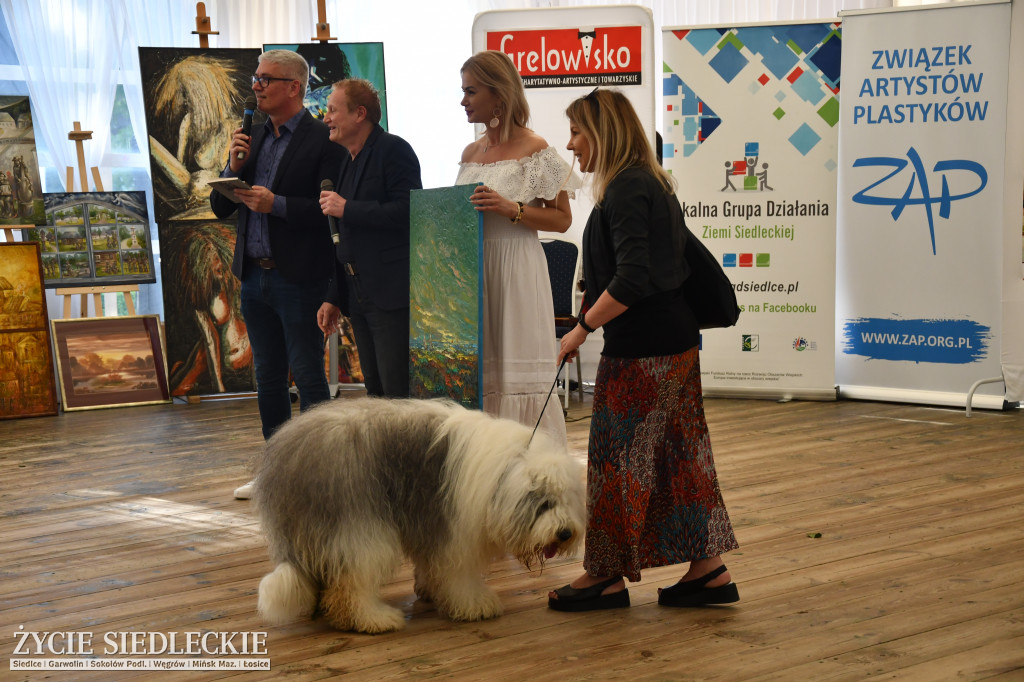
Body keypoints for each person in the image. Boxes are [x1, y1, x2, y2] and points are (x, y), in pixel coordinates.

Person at [548, 88, 740, 612]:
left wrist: (581, 327)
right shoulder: (644, 182)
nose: (571, 145)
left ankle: (604, 576)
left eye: (578, 132)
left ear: (603, 132)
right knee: (682, 459)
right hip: (670, 344)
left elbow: (632, 279)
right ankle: (709, 572)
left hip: (644, 352)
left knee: (616, 462)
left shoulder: (630, 187)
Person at [210, 49, 344, 500]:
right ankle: (276, 473)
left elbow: (330, 213)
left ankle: (320, 474)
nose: (256, 86)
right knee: (266, 378)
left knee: (307, 375)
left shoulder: (323, 139)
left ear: (294, 87)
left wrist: (278, 205)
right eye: (255, 78)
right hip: (253, 276)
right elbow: (220, 206)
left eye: (267, 79)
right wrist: (234, 167)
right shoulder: (253, 136)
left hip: (300, 277)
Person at [455, 50, 580, 448]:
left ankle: (533, 464)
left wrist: (514, 209)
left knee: (517, 370)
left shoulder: (535, 148)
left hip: (518, 267)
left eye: (471, 92)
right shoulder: (469, 154)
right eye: (462, 92)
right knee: (483, 373)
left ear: (499, 94)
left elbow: (562, 219)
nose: (463, 101)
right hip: (475, 270)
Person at [316, 78, 422, 398]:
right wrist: (334, 296)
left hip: (390, 292)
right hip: (358, 295)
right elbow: (343, 239)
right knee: (374, 389)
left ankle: (406, 449)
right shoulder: (346, 160)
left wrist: (349, 208)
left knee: (396, 391)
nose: (326, 118)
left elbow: (409, 211)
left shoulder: (393, 149)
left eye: (333, 110)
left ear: (360, 114)